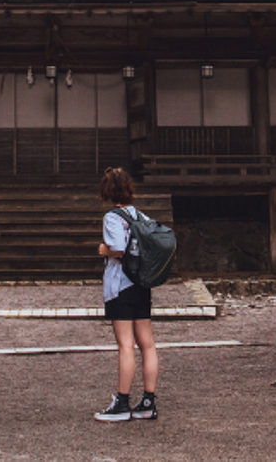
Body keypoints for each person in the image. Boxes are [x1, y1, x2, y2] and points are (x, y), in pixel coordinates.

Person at [93, 166, 158, 422]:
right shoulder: (140, 216)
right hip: (142, 284)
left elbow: (118, 248)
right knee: (148, 344)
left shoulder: (112, 218)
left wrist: (104, 250)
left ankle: (122, 402)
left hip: (121, 286)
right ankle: (148, 401)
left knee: (125, 346)